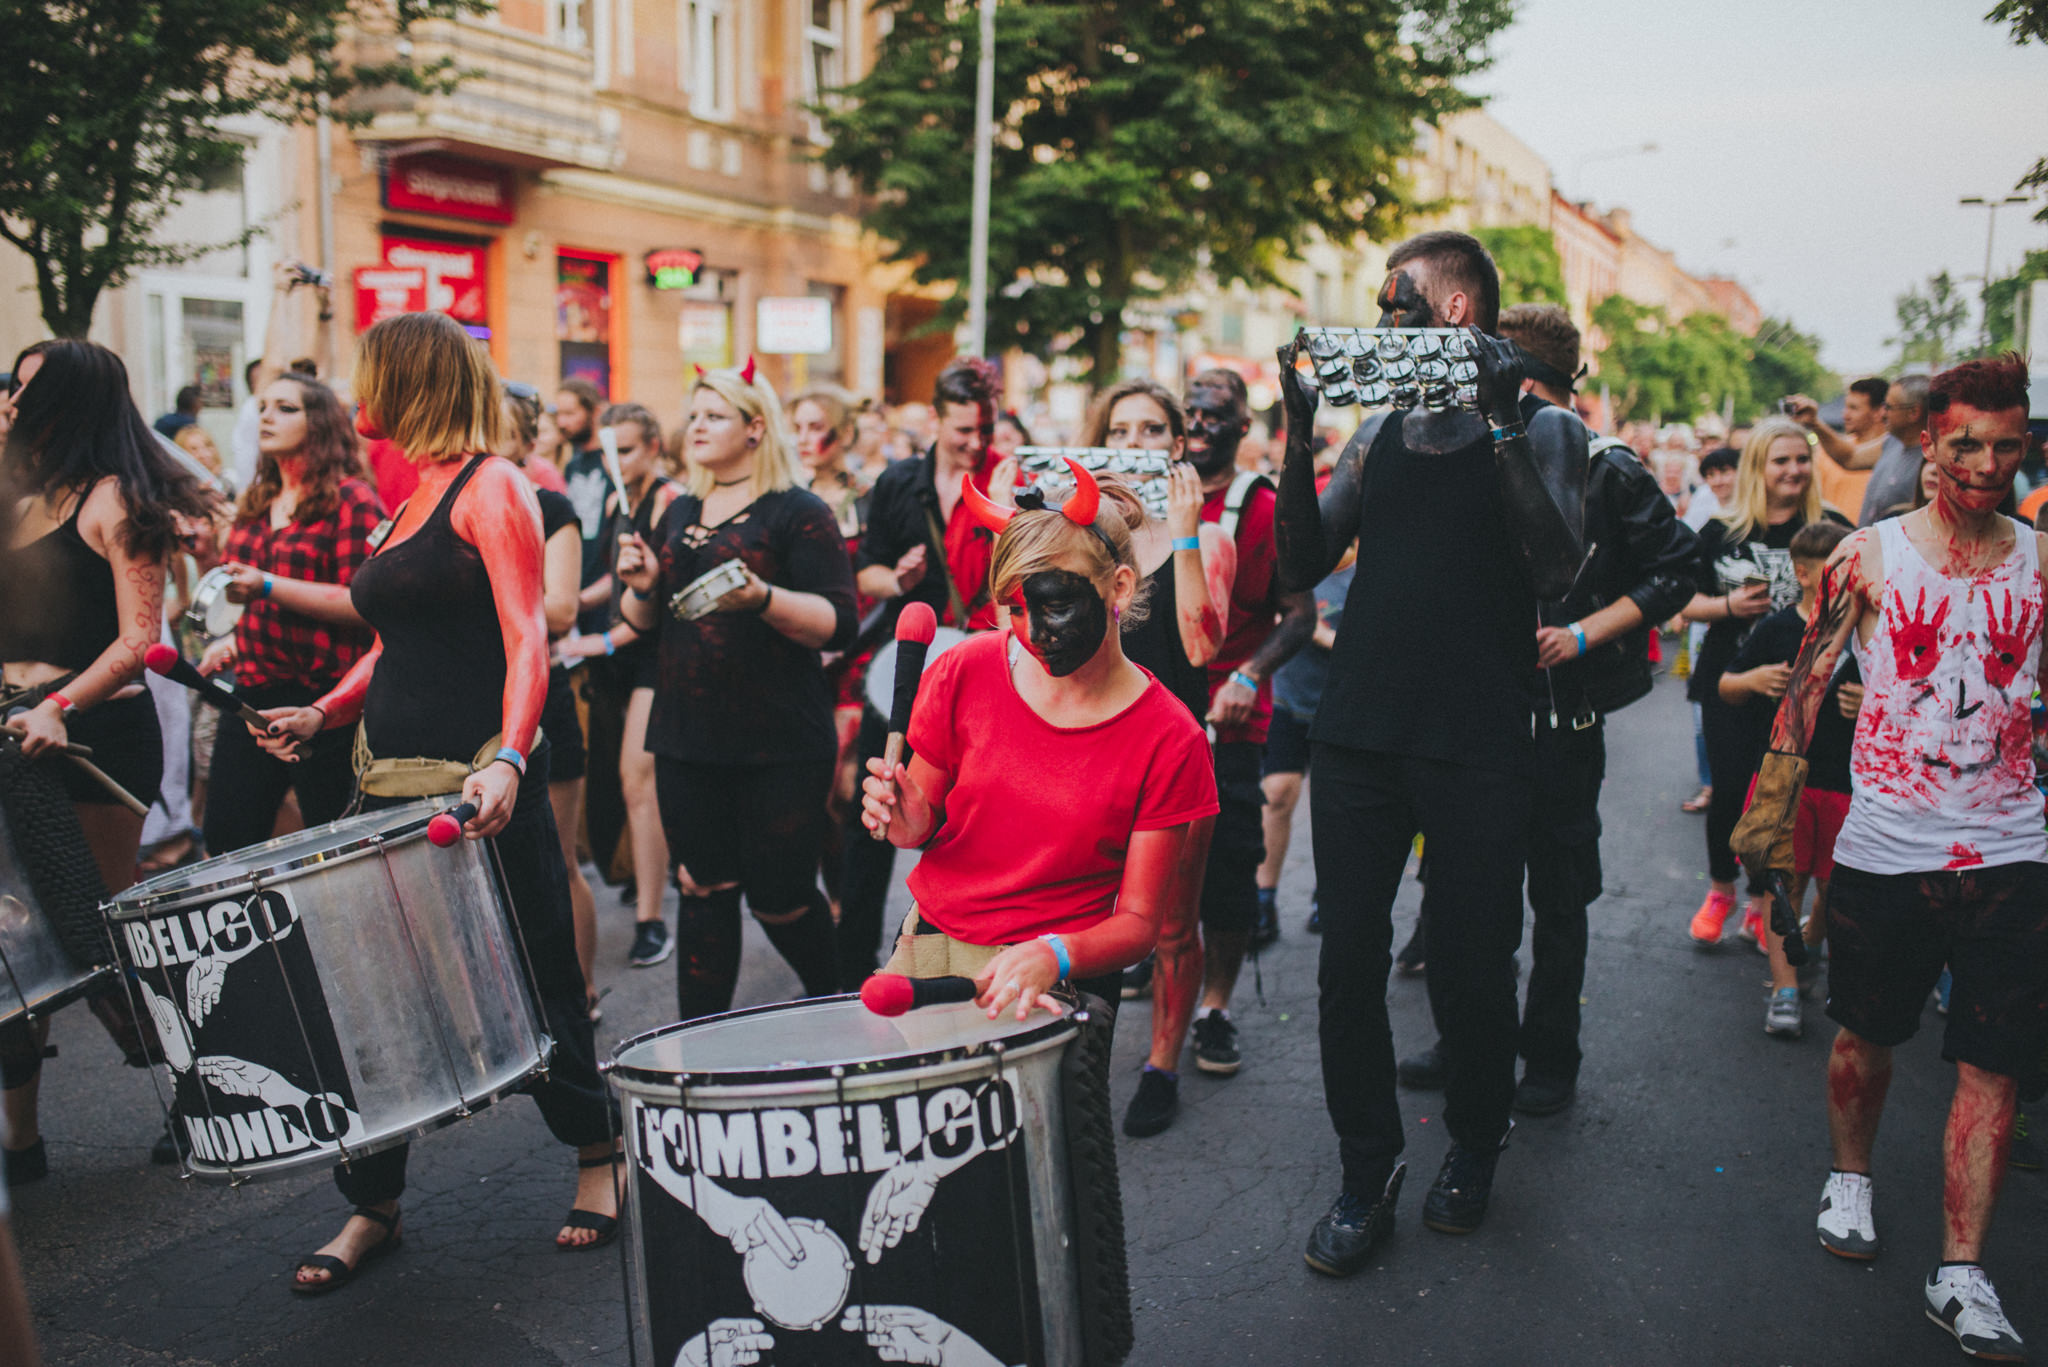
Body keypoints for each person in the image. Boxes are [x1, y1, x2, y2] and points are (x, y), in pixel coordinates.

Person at [253, 311, 617, 1288]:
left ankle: (596, 1151)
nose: (353, 386)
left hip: (479, 786)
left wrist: (507, 756)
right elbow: (391, 646)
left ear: (410, 376)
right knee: (382, 1001)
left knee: (538, 975)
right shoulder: (405, 498)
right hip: (384, 787)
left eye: (368, 369)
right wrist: (321, 713)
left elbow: (525, 636)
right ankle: (372, 1201)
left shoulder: (493, 484)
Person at [1274, 231, 1589, 1272]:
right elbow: (1301, 559)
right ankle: (1366, 1168)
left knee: (1468, 960)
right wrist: (1296, 425)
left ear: (1453, 311)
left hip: (1476, 738)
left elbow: (1551, 566)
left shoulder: (1543, 429)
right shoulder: (1380, 431)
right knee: (1346, 963)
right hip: (1362, 731)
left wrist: (1500, 425)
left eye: (1392, 301)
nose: (1378, 317)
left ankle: (1470, 1144)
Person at [1731, 356, 2042, 1361]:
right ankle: (1851, 1173)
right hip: (1882, 842)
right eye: (1964, 443)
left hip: (2006, 842)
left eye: (2006, 443)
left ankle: (1960, 1269)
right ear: (1925, 444)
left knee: (1992, 1062)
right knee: (1865, 1031)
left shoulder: (2040, 564)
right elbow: (1805, 689)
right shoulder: (1864, 556)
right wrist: (1773, 832)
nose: (1987, 463)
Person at [1394, 302, 1698, 1117]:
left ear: (1522, 375)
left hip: (1562, 719)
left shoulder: (1607, 464)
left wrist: (1585, 633)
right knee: (1461, 890)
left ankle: (1551, 1054)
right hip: (1470, 717)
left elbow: (1679, 566)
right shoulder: (1461, 443)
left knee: (1559, 894)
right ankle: (1466, 1038)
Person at [859, 462, 1217, 1021]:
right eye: (1016, 608)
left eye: (1054, 603)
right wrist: (908, 822)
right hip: (933, 949)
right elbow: (922, 825)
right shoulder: (964, 669)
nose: (1030, 632)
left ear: (1118, 586)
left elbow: (1141, 925)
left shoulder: (1171, 737)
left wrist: (1056, 953)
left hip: (1062, 980)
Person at [0, 339, 216, 1180]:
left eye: (23, 389)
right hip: (13, 737)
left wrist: (58, 704)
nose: (10, 402)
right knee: (15, 941)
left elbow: (140, 640)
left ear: (66, 399)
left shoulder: (114, 500)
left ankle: (199, 1091)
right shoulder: (18, 498)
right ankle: (22, 1138)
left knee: (104, 933)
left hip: (93, 738)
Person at [614, 363, 854, 1021]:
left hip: (779, 739)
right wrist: (640, 583)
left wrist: (764, 597)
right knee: (701, 887)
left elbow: (839, 622)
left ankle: (841, 1000)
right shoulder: (680, 508)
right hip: (689, 735)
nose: (697, 426)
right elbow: (644, 624)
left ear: (755, 428)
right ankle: (702, 1048)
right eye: (694, 415)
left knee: (778, 895)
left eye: (714, 416)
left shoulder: (798, 511)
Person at [1072, 380, 1235, 1137]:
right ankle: (1073, 1058)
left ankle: (1161, 1063)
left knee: (1173, 927)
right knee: (1081, 915)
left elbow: (1203, 645)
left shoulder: (1208, 534)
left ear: (1176, 445)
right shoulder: (1078, 536)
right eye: (1119, 429)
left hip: (1170, 757)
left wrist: (1186, 534)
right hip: (1084, 749)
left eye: (1150, 430)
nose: (1134, 442)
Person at [838, 361, 1008, 987]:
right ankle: (851, 963)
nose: (974, 441)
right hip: (906, 665)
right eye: (964, 428)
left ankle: (945, 957)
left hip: (980, 668)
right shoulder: (897, 482)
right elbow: (867, 575)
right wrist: (900, 581)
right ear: (937, 417)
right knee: (874, 810)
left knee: (958, 816)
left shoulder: (1003, 478)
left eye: (984, 428)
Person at [1177, 368, 1314, 1077]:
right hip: (1151, 715)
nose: (1198, 425)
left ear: (1240, 429)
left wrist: (1247, 675)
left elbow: (1300, 616)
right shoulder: (1147, 494)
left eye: (1214, 416)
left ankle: (1216, 1006)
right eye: (1190, 412)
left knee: (1228, 870)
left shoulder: (1261, 506)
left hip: (1231, 723)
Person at [1680, 419, 1852, 950]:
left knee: (1781, 801)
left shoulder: (1836, 530)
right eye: (1781, 460)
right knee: (1730, 791)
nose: (1794, 470)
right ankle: (1719, 891)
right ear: (1759, 465)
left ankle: (1762, 901)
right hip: (1732, 681)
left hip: (1806, 696)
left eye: (1802, 459)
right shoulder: (1721, 532)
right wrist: (1728, 605)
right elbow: (1680, 602)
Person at [198, 374, 384, 857]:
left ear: (318, 423)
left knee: (336, 844)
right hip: (253, 694)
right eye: (263, 407)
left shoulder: (350, 500)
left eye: (285, 408)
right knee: (228, 838)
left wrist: (267, 584)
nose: (266, 417)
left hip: (325, 701)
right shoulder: (256, 503)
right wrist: (236, 638)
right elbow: (239, 594)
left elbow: (362, 603)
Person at [1717, 519, 1855, 1038]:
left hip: (1849, 783)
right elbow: (1726, 685)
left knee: (1840, 888)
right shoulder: (1777, 628)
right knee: (1784, 885)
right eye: (1834, 569)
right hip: (1784, 778)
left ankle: (1812, 948)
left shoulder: (1870, 634)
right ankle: (1786, 990)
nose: (1846, 578)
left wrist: (1872, 705)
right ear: (1802, 573)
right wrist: (1753, 680)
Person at [558, 403, 679, 969]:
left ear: (654, 445)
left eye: (627, 449)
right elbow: (612, 579)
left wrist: (602, 641)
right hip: (617, 653)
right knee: (623, 779)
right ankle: (651, 877)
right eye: (611, 451)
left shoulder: (670, 500)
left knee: (638, 779)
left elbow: (661, 596)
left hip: (658, 653)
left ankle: (652, 920)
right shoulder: (614, 500)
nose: (616, 460)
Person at [503, 384, 600, 1016]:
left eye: (495, 427)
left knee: (557, 863)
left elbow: (562, 610)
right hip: (474, 703)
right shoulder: (437, 502)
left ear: (528, 441)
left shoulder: (547, 505)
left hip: (542, 697)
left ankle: (582, 994)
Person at [1680, 446, 1742, 813]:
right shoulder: (1704, 505)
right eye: (1711, 473)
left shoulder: (1759, 509)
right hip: (1707, 622)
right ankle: (1710, 784)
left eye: (1726, 471)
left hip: (1740, 627)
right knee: (1702, 710)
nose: (1719, 480)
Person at [1787, 377, 1890, 517]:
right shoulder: (1828, 451)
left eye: (1854, 408)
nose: (1845, 415)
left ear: (1880, 411)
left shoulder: (1894, 452)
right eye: (1846, 407)